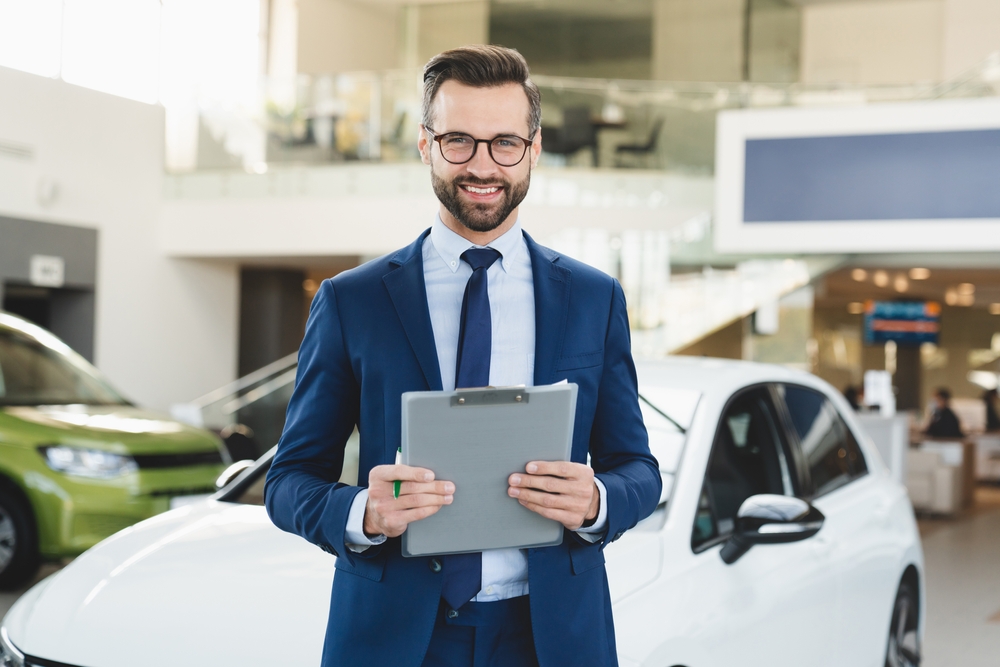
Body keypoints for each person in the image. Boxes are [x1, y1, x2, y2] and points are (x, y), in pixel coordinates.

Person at [264, 45, 661, 667]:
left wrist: (596, 502)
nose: (483, 165)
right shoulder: (353, 301)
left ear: (533, 149)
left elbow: (637, 467)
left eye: (505, 142)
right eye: (459, 141)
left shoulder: (593, 298)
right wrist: (360, 512)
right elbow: (288, 481)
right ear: (426, 145)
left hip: (551, 637)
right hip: (395, 638)